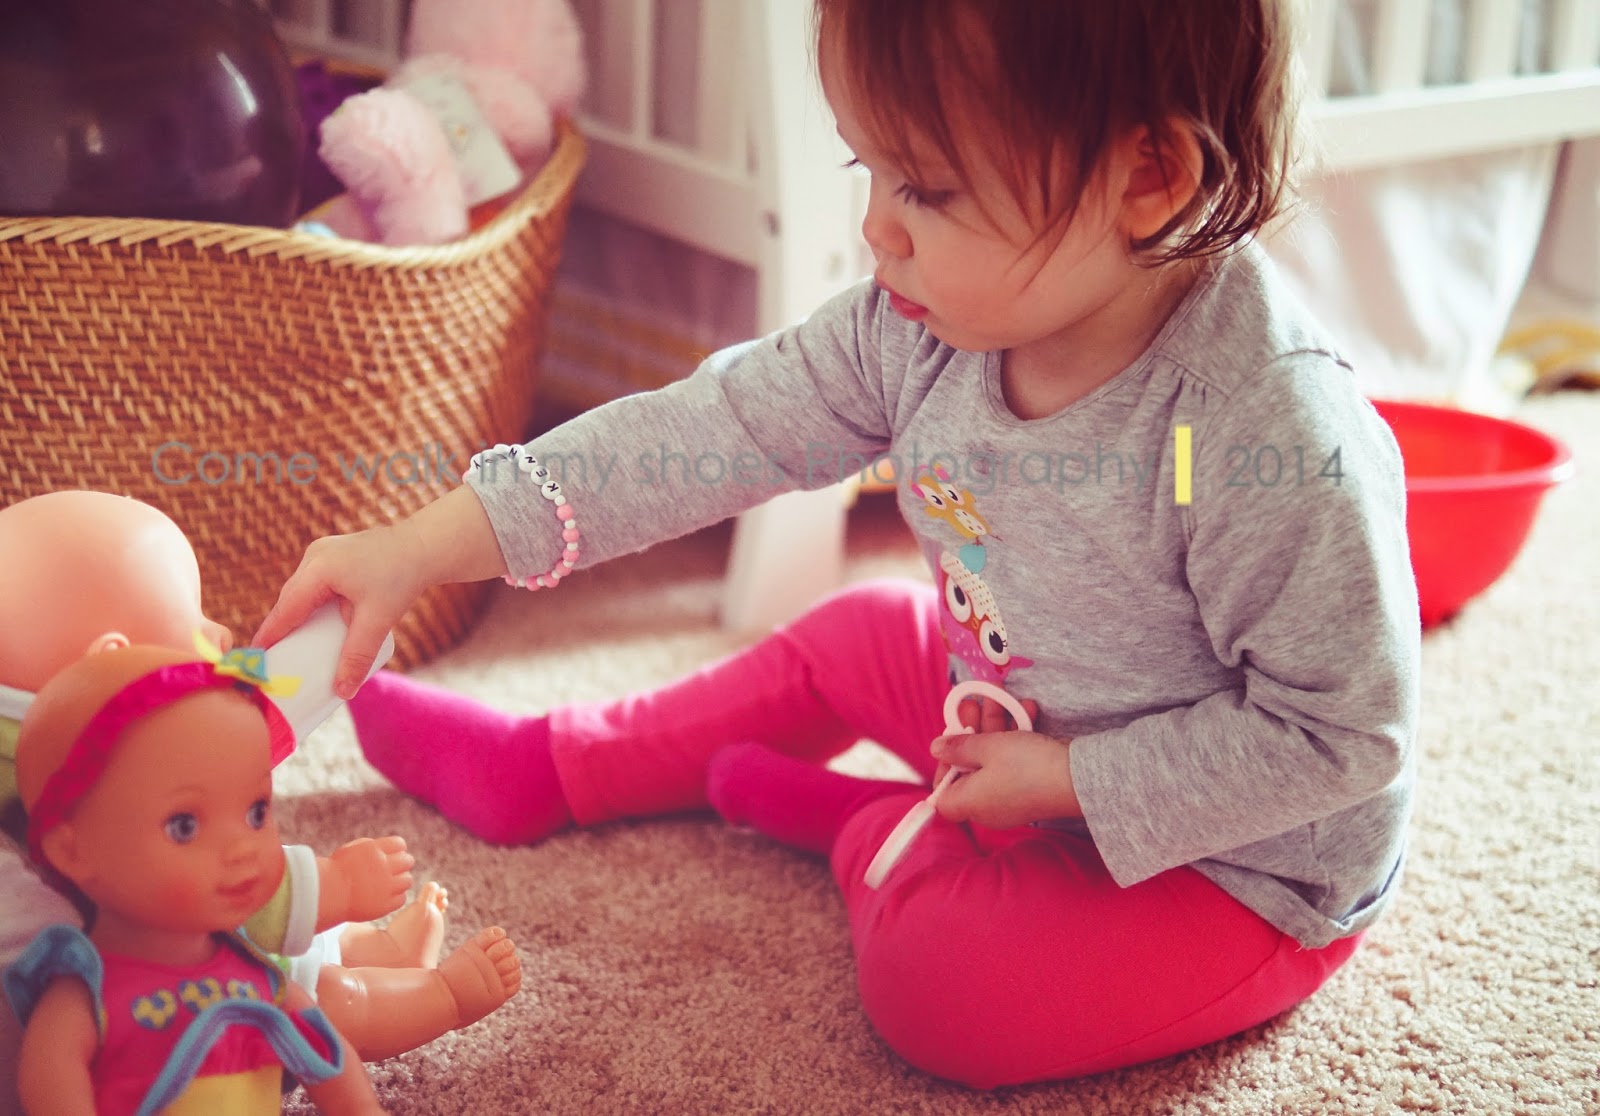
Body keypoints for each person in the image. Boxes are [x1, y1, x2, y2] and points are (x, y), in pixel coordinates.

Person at [256, 0, 1420, 1088]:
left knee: (945, 990)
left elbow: (1342, 735)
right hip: (1010, 711)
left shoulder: (1259, 426)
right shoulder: (916, 330)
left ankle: (858, 825)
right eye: (870, 170)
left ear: (1147, 179)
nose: (875, 230)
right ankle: (554, 765)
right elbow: (708, 432)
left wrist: (1072, 782)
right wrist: (424, 545)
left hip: (1233, 863)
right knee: (858, 631)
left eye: (929, 189)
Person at [0, 491, 522, 1115]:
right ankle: (443, 997)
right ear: (119, 661)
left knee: (322, 958)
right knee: (343, 1002)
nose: (219, 632)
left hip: (248, 946)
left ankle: (385, 951)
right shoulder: (84, 798)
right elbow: (206, 888)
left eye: (259, 813)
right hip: (234, 945)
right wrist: (334, 886)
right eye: (193, 615)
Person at [4, 645, 389, 1114]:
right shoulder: (88, 994)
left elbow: (329, 1061)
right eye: (184, 826)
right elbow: (49, 1081)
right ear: (73, 852)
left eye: (256, 812)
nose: (244, 849)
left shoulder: (259, 978)